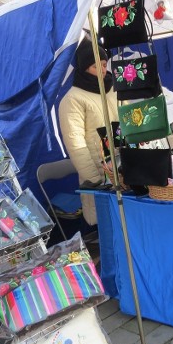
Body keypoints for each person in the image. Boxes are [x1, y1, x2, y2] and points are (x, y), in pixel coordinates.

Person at [58, 39, 118, 226]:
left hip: (123, 173)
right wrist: (94, 181)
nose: (102, 70)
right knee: (109, 228)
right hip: (99, 177)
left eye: (104, 64)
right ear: (83, 68)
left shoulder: (113, 91)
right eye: (95, 66)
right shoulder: (73, 99)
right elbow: (75, 144)